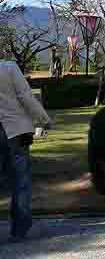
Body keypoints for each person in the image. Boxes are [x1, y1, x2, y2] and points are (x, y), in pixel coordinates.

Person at [0, 60, 52, 241]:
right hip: (15, 130)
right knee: (20, 180)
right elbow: (25, 96)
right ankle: (19, 229)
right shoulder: (8, 68)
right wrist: (44, 119)